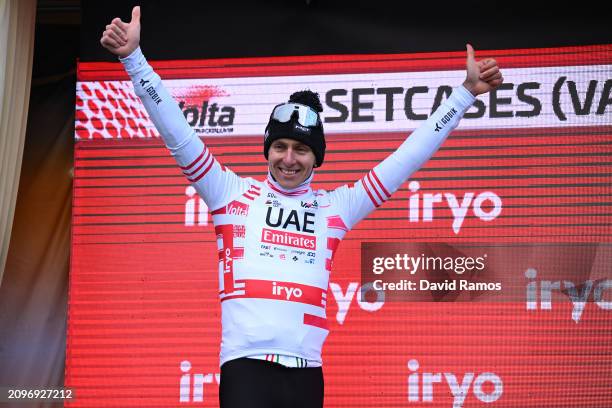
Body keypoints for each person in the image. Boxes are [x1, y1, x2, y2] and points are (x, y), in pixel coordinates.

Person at [100, 6, 503, 408]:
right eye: (280, 146)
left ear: (317, 158)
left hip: (308, 375)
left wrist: (463, 95)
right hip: (245, 371)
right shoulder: (229, 194)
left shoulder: (336, 208)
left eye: (301, 149)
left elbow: (405, 160)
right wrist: (134, 60)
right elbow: (178, 134)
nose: (288, 159)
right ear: (268, 150)